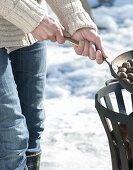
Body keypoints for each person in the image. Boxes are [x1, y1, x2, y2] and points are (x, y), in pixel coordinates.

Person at [0, 0, 107, 170]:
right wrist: (33, 17)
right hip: (32, 19)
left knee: (33, 125)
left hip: (31, 30)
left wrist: (77, 22)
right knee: (10, 136)